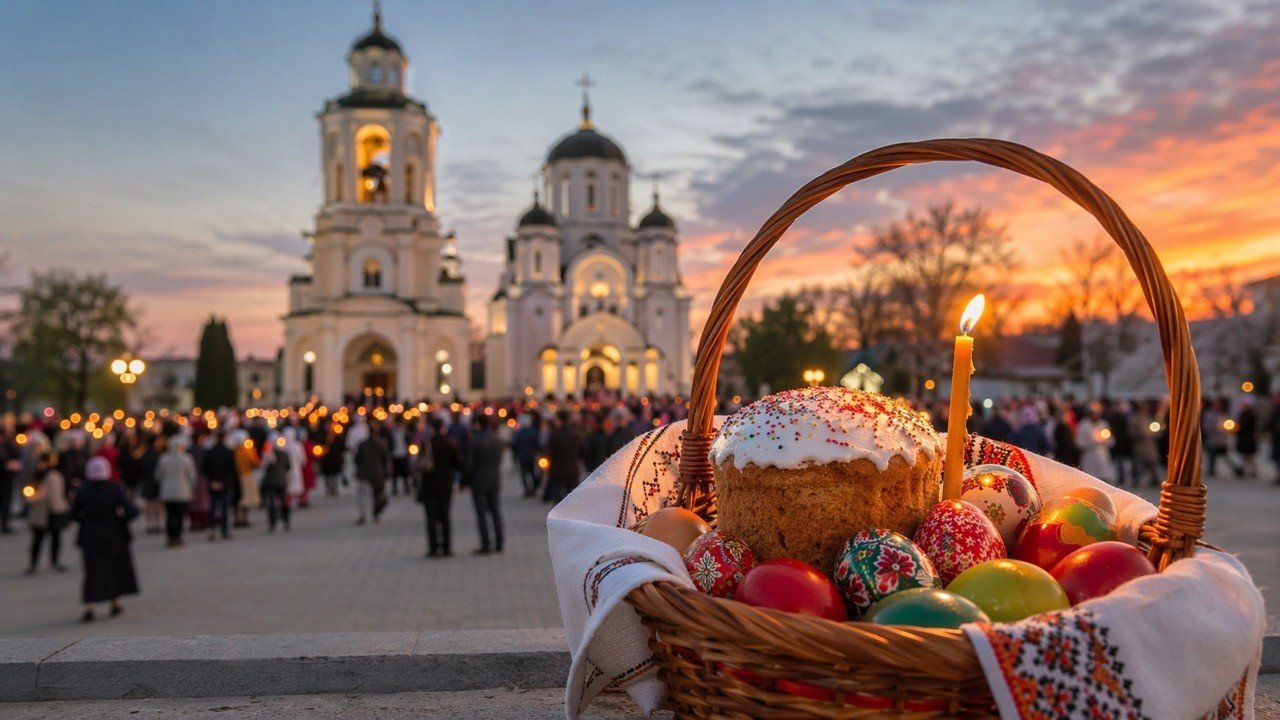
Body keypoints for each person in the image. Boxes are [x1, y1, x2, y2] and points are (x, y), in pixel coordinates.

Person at [70, 457, 139, 622]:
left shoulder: (83, 490)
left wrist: (86, 519)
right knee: (112, 568)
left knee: (92, 570)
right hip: (114, 534)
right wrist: (120, 519)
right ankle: (114, 602)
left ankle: (89, 606)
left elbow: (74, 514)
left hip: (90, 534)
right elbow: (130, 511)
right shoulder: (115, 488)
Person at [417, 417, 459, 557]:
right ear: (443, 428)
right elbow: (457, 463)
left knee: (431, 519)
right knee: (445, 517)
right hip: (446, 485)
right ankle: (447, 547)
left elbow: (419, 464)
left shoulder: (427, 444)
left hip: (429, 485)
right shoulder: (450, 444)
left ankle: (433, 547)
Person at [463, 414, 504, 554]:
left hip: (479, 482)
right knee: (495, 512)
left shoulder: (475, 441)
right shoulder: (497, 439)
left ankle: (486, 543)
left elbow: (469, 465)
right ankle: (499, 542)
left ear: (477, 424)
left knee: (481, 514)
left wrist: (465, 481)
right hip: (494, 480)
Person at [24, 452, 68, 574]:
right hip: (48, 512)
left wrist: (30, 499)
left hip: (50, 512)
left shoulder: (51, 477)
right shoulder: (44, 475)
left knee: (49, 539)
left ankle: (50, 562)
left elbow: (45, 495)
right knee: (40, 539)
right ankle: (40, 563)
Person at [155, 434, 196, 547]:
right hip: (182, 491)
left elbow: (158, 475)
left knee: (169, 515)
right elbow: (192, 476)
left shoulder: (163, 458)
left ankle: (170, 537)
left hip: (167, 491)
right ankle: (178, 537)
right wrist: (192, 490)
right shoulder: (187, 458)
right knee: (180, 515)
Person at [200, 431, 236, 541]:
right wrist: (222, 482)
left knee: (213, 507)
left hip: (214, 483)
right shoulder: (228, 452)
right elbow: (231, 469)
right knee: (224, 507)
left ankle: (212, 529)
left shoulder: (209, 452)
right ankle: (224, 530)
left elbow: (204, 468)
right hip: (224, 484)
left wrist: (213, 481)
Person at [354, 424, 390, 524]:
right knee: (377, 495)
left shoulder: (362, 444)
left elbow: (357, 459)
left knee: (363, 495)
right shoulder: (382, 443)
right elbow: (385, 459)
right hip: (378, 473)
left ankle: (363, 515)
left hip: (364, 473)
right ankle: (376, 514)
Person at [545, 411, 584, 503]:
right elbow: (582, 451)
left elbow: (549, 454)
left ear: (559, 420)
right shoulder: (576, 434)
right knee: (573, 500)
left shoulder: (554, 435)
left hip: (557, 471)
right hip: (573, 470)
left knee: (558, 501)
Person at [1076, 402, 1117, 484]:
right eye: (1093, 413)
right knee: (1090, 481)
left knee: (1105, 481)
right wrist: (1095, 442)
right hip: (1089, 458)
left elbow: (1111, 441)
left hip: (1103, 457)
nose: (1095, 415)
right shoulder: (1083, 425)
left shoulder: (1103, 424)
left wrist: (1106, 441)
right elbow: (1079, 443)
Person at [261, 436, 292, 533]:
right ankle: (286, 521)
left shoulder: (268, 455)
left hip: (270, 482)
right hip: (281, 481)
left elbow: (264, 468)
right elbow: (288, 467)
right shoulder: (284, 454)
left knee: (271, 503)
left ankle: (272, 523)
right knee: (283, 502)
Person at [232, 431, 261, 528]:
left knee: (237, 500)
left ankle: (236, 518)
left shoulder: (233, 450)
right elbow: (254, 461)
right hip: (246, 476)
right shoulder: (247, 450)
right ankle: (244, 518)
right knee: (246, 498)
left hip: (236, 476)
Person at [510, 414, 541, 498]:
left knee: (524, 474)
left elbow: (514, 445)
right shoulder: (534, 431)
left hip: (522, 455)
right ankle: (534, 489)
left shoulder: (518, 433)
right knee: (533, 473)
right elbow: (537, 444)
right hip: (532, 455)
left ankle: (527, 490)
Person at [139, 434, 164, 534]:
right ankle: (157, 523)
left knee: (149, 504)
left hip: (147, 481)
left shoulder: (143, 455)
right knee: (157, 504)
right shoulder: (159, 455)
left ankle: (150, 524)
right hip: (156, 481)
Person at [0, 428, 19, 534]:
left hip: (7, 479)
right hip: (5, 477)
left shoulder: (9, 445)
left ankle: (5, 522)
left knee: (6, 501)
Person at [1234, 401, 1259, 479]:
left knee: (1248, 456)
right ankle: (1244, 470)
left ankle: (1251, 471)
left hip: (1247, 439)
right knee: (1246, 456)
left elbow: (1242, 426)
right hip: (1246, 439)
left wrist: (1237, 430)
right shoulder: (1247, 414)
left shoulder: (1248, 415)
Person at [388, 416, 411, 496]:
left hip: (404, 454)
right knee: (395, 473)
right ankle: (395, 488)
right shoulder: (392, 431)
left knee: (405, 473)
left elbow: (409, 440)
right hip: (395, 454)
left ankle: (407, 487)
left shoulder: (405, 431)